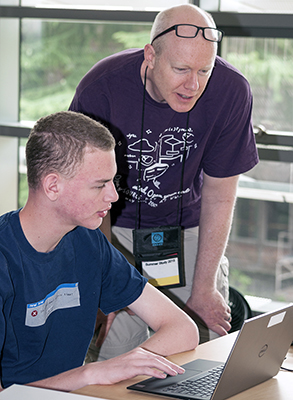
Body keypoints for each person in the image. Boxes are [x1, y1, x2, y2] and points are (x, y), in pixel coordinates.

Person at [69, 3, 259, 360]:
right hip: (114, 225)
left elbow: (220, 194)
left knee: (201, 344)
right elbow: (89, 192)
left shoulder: (231, 91)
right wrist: (103, 278)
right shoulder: (102, 88)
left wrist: (203, 287)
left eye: (205, 70)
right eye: (181, 69)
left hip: (189, 228)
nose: (193, 84)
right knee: (117, 351)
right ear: (150, 55)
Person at [0, 111, 199, 392]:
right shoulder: (4, 258)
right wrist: (90, 374)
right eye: (99, 185)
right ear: (53, 186)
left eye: (112, 181)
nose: (113, 196)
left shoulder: (88, 242)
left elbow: (183, 329)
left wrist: (131, 361)